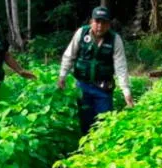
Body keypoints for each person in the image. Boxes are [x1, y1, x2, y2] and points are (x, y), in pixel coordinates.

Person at [57, 6, 134, 135]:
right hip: (83, 86)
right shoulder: (81, 33)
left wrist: (126, 91)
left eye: (104, 22)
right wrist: (62, 76)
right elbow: (69, 55)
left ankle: (102, 151)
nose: (100, 26)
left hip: (103, 88)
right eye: (97, 22)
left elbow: (121, 66)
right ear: (91, 22)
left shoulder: (115, 39)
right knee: (86, 122)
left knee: (105, 121)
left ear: (109, 24)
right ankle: (87, 151)